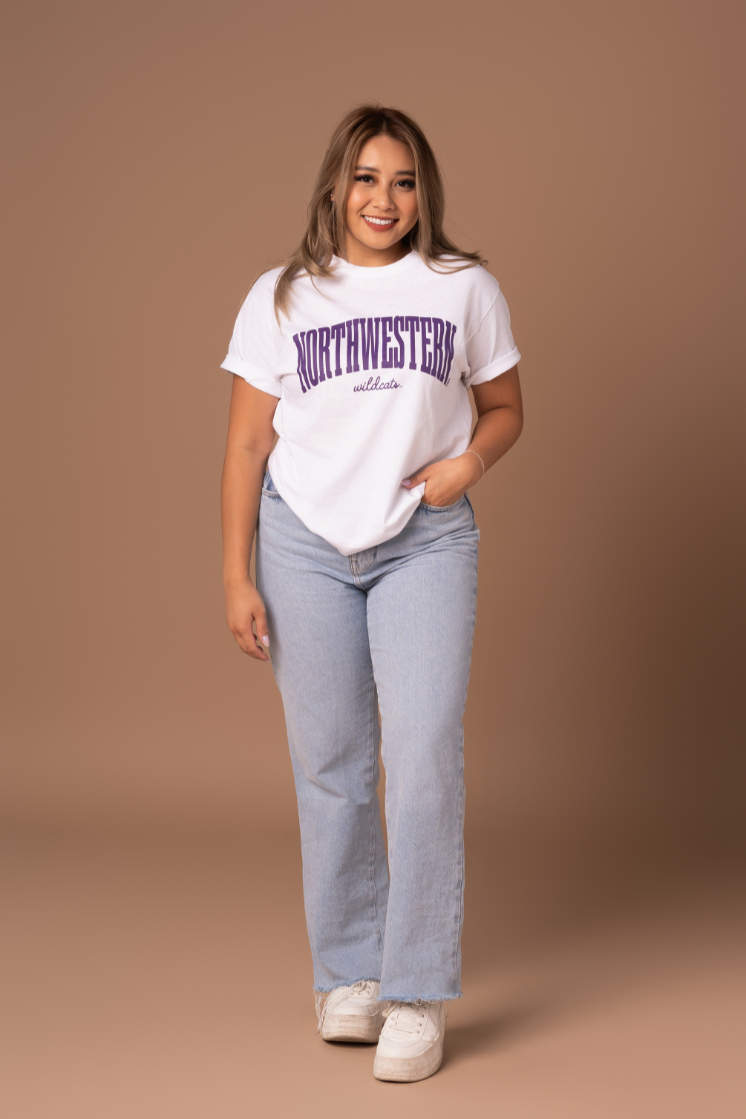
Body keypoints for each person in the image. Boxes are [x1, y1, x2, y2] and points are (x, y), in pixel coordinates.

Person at [220, 104, 522, 1082]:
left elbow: (507, 408)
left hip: (423, 539)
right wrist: (235, 573)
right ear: (333, 187)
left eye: (401, 180)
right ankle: (347, 972)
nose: (382, 198)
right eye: (363, 177)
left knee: (425, 750)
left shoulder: (463, 289)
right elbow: (247, 444)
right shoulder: (280, 296)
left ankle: (417, 990)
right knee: (332, 764)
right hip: (300, 543)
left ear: (422, 192)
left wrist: (465, 467)